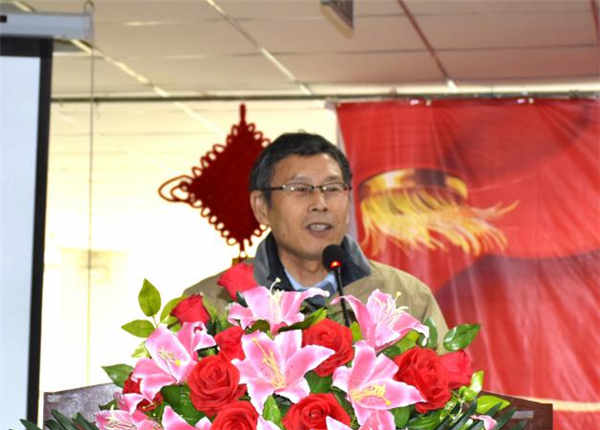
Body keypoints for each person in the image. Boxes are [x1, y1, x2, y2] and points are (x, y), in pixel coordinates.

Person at [185, 132, 448, 342]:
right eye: (300, 189)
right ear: (262, 207)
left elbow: (449, 390)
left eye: (332, 188)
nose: (320, 203)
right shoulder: (210, 302)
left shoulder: (405, 298)